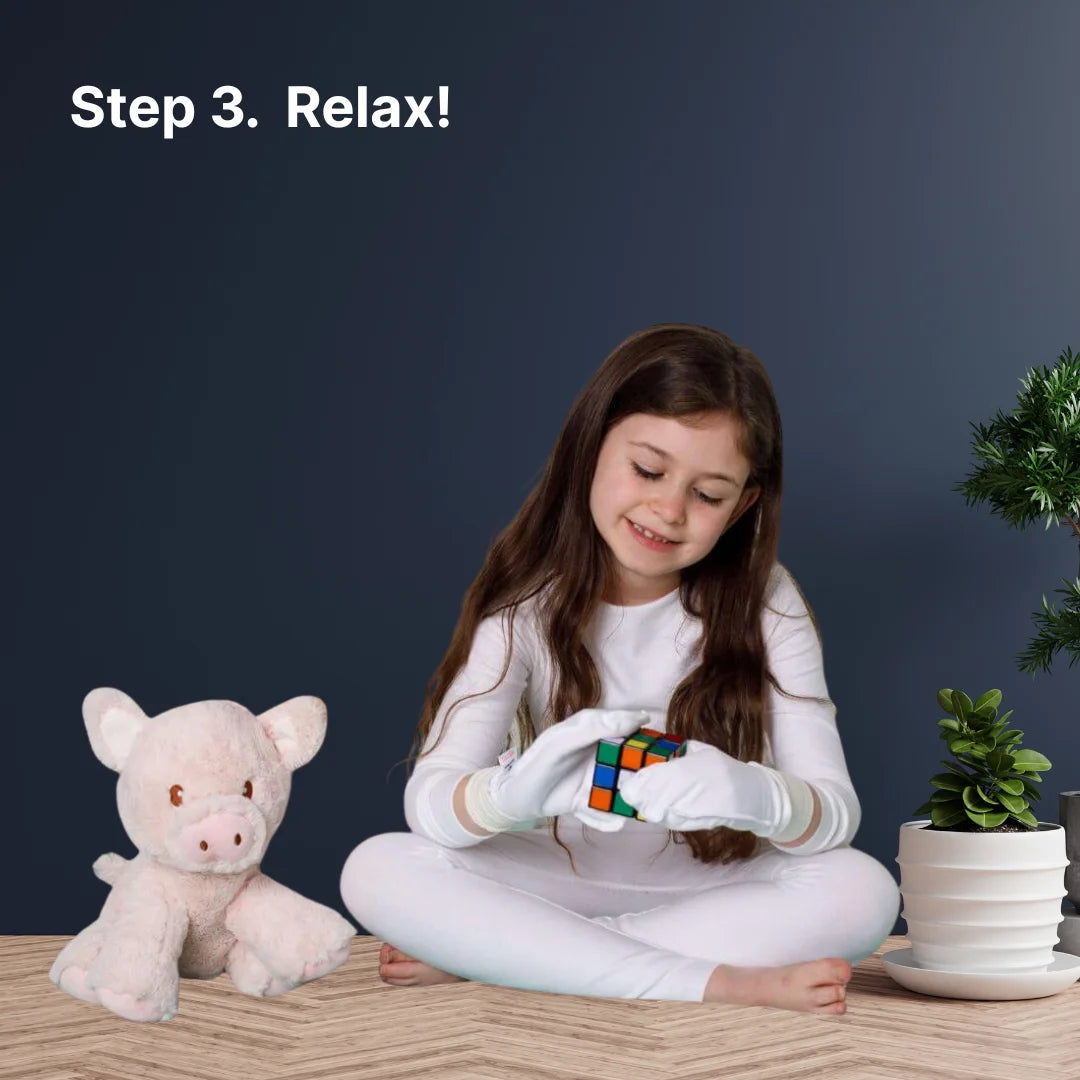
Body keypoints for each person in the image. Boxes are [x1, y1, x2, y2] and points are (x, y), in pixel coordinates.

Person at [340, 323, 900, 1015]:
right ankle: (715, 982)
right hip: (546, 877)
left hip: (709, 888)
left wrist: (753, 795)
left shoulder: (767, 602)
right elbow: (430, 805)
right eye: (648, 469)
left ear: (743, 506)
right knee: (377, 868)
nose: (668, 510)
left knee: (864, 889)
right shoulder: (523, 605)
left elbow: (835, 814)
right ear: (593, 445)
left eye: (710, 493)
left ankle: (522, 958)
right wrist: (509, 796)